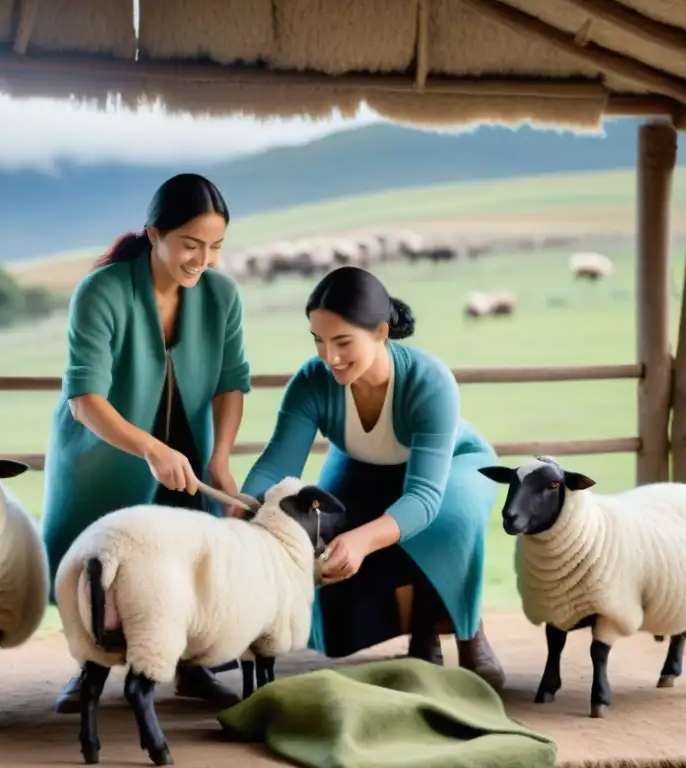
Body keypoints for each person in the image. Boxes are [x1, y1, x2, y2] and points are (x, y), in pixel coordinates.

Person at [239, 265, 506, 693]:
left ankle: (465, 631)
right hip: (364, 462)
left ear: (381, 332)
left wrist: (363, 540)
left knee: (445, 526)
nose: (330, 357)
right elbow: (276, 468)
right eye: (319, 341)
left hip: (453, 463)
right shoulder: (312, 382)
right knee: (330, 536)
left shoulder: (429, 381)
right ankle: (416, 628)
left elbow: (423, 496)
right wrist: (243, 509)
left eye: (343, 342)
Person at [40, 173, 251, 713]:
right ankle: (89, 666)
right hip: (105, 446)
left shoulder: (222, 294)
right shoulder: (103, 290)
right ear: (154, 234)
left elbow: (232, 381)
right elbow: (85, 398)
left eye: (215, 247)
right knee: (101, 558)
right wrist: (151, 449)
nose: (202, 259)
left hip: (189, 440)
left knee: (187, 554)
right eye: (190, 245)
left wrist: (220, 456)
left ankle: (192, 663)